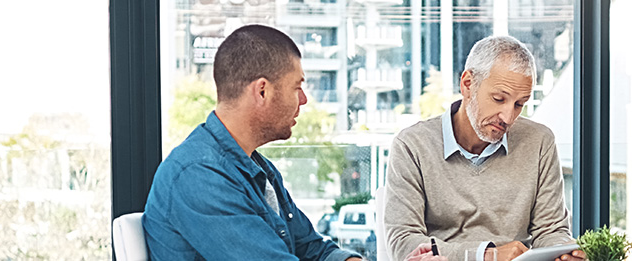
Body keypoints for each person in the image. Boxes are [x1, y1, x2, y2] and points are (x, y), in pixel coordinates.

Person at [142, 24, 365, 260]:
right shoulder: (199, 175)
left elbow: (312, 249)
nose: (304, 99)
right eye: (297, 87)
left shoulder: (258, 169)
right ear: (262, 91)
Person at [383, 35, 585, 261]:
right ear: (468, 84)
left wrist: (563, 252)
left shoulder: (539, 142)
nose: (508, 117)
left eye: (520, 104)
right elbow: (403, 242)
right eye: (499, 99)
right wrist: (487, 256)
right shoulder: (411, 146)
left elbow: (551, 231)